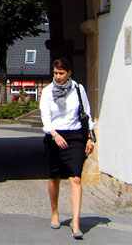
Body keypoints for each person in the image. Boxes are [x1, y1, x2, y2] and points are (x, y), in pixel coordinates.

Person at [40, 57, 95, 240]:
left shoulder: (78, 89)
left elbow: (86, 113)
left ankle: (76, 222)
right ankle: (54, 211)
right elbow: (45, 118)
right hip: (54, 136)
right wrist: (55, 135)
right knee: (54, 177)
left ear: (69, 73)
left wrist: (90, 137)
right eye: (55, 73)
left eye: (61, 73)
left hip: (74, 137)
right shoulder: (47, 92)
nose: (58, 77)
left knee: (75, 178)